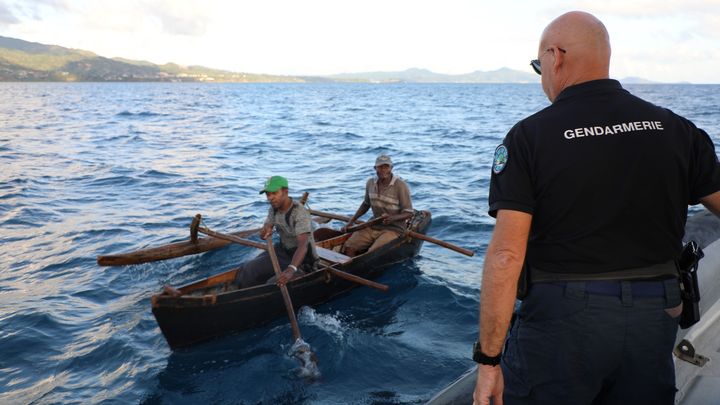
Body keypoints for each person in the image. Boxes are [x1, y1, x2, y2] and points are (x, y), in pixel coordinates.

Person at [472, 11, 720, 405]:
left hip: (562, 323)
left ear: (555, 57)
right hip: (653, 316)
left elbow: (505, 255)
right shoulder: (676, 128)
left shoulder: (528, 137)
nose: (542, 77)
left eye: (539, 66)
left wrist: (488, 360)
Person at [232, 175, 318, 288]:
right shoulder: (273, 208)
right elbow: (266, 228)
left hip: (303, 260)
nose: (270, 198)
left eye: (274, 193)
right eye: (268, 194)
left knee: (274, 284)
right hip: (283, 251)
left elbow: (303, 245)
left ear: (285, 192)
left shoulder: (299, 213)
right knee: (247, 269)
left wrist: (291, 269)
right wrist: (265, 231)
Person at [342, 154, 414, 257]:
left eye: (386, 166)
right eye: (380, 167)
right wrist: (351, 221)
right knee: (349, 246)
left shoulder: (400, 186)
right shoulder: (370, 183)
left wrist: (392, 218)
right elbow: (366, 204)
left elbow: (409, 213)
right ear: (375, 168)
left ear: (391, 168)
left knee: (372, 253)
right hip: (373, 225)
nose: (384, 170)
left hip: (394, 229)